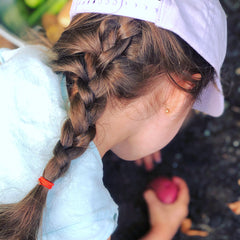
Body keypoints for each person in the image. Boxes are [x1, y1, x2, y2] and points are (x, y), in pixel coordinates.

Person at [0, 0, 227, 239]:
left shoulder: (17, 62)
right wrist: (164, 229)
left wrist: (139, 121)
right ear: (178, 96)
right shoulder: (85, 219)